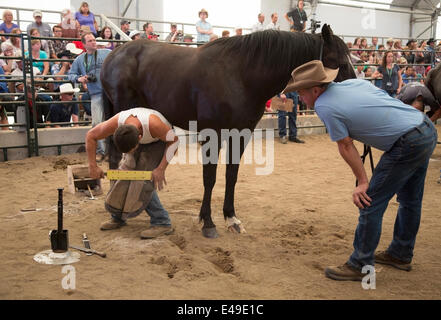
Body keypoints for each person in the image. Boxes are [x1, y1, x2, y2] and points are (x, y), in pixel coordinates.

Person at [282, 60, 437, 281]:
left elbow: (345, 145)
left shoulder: (323, 105)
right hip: (425, 128)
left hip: (407, 141)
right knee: (410, 200)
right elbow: (377, 104)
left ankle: (360, 264)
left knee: (369, 200)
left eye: (301, 93)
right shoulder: (353, 84)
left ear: (315, 90)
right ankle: (401, 253)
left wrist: (363, 181)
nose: (300, 98)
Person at [86, 107, 177, 239]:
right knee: (123, 173)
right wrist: (92, 166)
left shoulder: (154, 124)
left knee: (143, 181)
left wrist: (161, 169)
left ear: (139, 138)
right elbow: (91, 136)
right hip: (138, 137)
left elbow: (173, 141)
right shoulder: (116, 122)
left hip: (158, 142)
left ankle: (162, 222)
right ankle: (118, 217)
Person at [68, 32, 111, 162]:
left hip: (110, 93)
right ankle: (102, 151)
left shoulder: (107, 53)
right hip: (96, 94)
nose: (94, 42)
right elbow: (70, 75)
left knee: (113, 122)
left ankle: (112, 152)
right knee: (97, 123)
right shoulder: (80, 60)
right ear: (84, 44)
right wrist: (79, 78)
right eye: (90, 41)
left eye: (94, 40)